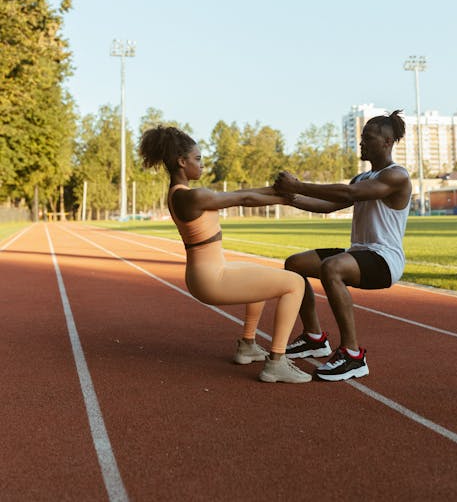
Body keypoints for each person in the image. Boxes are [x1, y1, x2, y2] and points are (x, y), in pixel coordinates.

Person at [139, 125, 311, 384]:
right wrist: (284, 199)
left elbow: (241, 194)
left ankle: (248, 346)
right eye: (198, 159)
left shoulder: (184, 194)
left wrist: (275, 189)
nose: (202, 165)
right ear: (182, 161)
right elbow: (244, 200)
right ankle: (276, 362)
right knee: (295, 283)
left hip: (208, 272)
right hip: (211, 279)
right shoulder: (192, 196)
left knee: (262, 274)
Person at [274, 110, 412, 382]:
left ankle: (352, 354)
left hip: (385, 259)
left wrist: (299, 184)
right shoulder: (361, 179)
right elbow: (330, 205)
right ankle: (314, 337)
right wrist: (291, 198)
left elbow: (348, 194)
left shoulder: (397, 176)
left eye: (368, 138)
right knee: (294, 265)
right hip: (359, 253)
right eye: (361, 137)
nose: (361, 142)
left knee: (332, 268)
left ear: (387, 142)